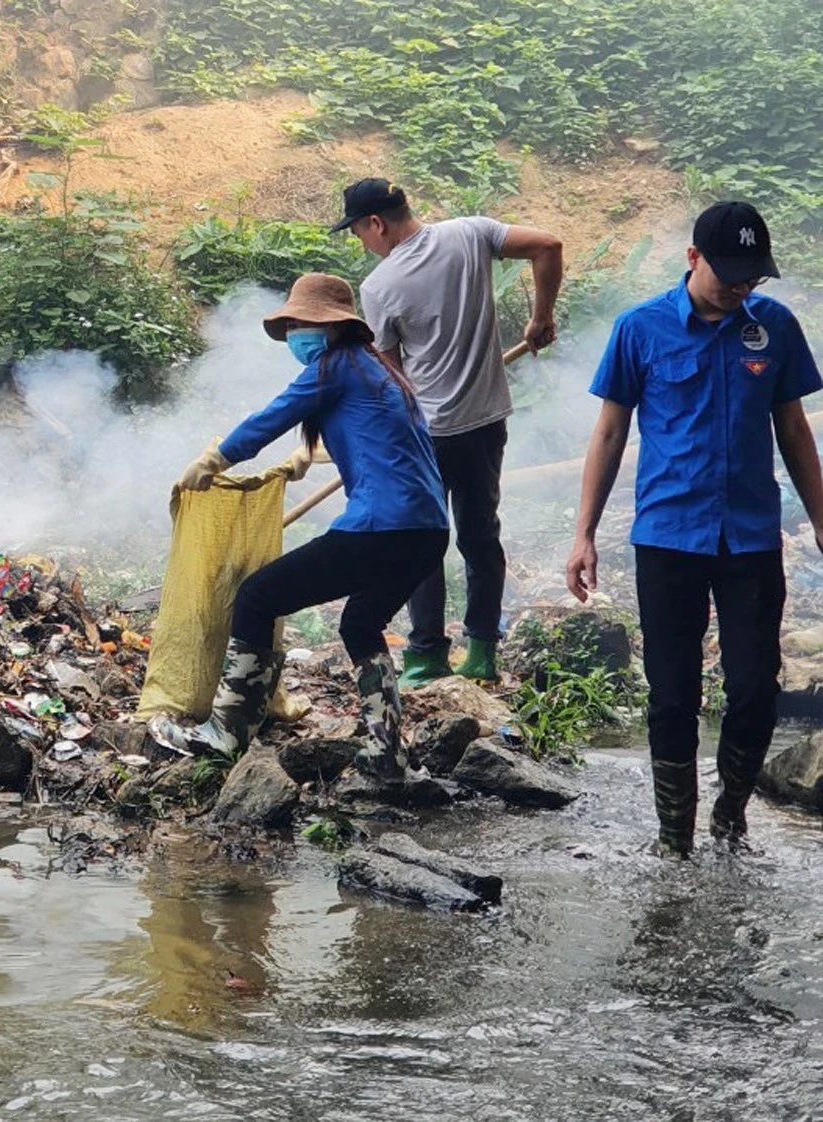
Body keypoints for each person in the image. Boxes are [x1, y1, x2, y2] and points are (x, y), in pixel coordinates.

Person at [566, 201, 823, 856]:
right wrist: (584, 533)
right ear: (692, 258)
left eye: (752, 275)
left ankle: (731, 815)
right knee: (673, 694)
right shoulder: (640, 328)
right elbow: (610, 430)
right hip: (667, 538)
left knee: (756, 690)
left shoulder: (775, 327)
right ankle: (673, 836)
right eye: (729, 272)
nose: (741, 286)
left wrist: (821, 518)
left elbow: (792, 428)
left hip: (751, 538)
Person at [158, 274, 449, 778]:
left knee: (257, 596)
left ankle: (227, 733)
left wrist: (214, 459)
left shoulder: (335, 367)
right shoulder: (377, 371)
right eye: (291, 323)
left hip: (382, 527)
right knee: (360, 624)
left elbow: (272, 416)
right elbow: (381, 440)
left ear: (333, 327)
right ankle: (387, 752)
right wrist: (308, 455)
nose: (296, 331)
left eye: (303, 322)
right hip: (426, 530)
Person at [337, 178, 564, 686]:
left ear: (376, 223)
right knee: (481, 535)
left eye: (357, 232)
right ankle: (482, 652)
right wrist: (540, 317)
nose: (361, 243)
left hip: (427, 435)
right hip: (486, 423)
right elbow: (548, 246)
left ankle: (426, 656)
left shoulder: (379, 287)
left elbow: (393, 380)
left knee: (422, 542)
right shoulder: (471, 233)